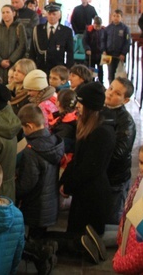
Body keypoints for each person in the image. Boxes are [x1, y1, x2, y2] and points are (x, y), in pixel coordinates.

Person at [58, 82, 116, 260]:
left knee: (85, 241)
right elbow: (78, 158)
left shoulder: (102, 133)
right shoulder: (90, 126)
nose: (77, 107)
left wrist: (69, 186)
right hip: (84, 191)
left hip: (93, 195)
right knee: (76, 237)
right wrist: (64, 182)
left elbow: (90, 168)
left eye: (80, 104)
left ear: (90, 107)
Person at [16, 105, 64, 274]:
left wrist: (15, 190)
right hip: (49, 202)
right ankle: (46, 254)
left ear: (29, 126)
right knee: (39, 237)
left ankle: (44, 261)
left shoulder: (32, 150)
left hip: (36, 204)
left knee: (32, 244)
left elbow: (27, 182)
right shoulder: (53, 141)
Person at [103, 77, 136, 225]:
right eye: (110, 88)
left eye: (117, 93)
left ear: (126, 100)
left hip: (115, 177)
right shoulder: (101, 109)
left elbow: (119, 153)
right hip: (102, 174)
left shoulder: (126, 122)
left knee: (111, 219)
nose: (110, 94)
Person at [29, 2, 75, 74]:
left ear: (59, 15)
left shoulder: (66, 31)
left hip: (58, 69)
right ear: (46, 15)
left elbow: (70, 52)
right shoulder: (38, 29)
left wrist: (68, 69)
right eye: (49, 14)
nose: (51, 16)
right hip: (41, 68)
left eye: (54, 14)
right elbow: (32, 51)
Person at [0, 5, 26, 83]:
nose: (5, 14)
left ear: (13, 13)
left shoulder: (19, 27)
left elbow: (22, 45)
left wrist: (11, 60)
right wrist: (0, 61)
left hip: (14, 63)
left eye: (7, 12)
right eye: (3, 12)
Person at [102, 9, 131, 84]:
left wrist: (123, 53)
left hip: (119, 55)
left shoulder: (125, 28)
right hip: (109, 54)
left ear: (121, 17)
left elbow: (127, 42)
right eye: (114, 16)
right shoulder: (107, 28)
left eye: (118, 16)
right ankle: (110, 86)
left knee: (119, 74)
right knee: (110, 73)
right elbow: (103, 40)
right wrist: (104, 50)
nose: (115, 18)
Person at [83, 16, 105, 83]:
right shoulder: (88, 30)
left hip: (100, 54)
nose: (97, 28)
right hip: (91, 54)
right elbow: (85, 41)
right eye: (96, 26)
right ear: (93, 24)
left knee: (100, 69)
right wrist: (87, 49)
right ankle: (91, 81)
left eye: (99, 26)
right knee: (92, 69)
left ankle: (100, 82)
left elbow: (105, 41)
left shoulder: (104, 30)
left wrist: (104, 50)